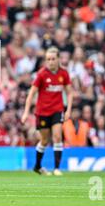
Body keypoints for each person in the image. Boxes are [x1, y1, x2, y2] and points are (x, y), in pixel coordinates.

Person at [22, 47, 73, 176]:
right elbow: (31, 93)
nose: (50, 62)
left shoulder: (64, 74)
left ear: (58, 59)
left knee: (57, 136)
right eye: (48, 59)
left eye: (53, 59)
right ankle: (37, 166)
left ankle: (56, 168)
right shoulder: (42, 74)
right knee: (44, 140)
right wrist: (26, 112)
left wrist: (68, 110)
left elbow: (69, 93)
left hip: (57, 110)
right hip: (43, 112)